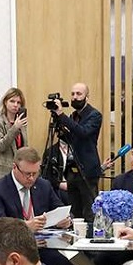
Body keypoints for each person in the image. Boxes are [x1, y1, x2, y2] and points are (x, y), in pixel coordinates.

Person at [0, 147, 74, 265]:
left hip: (42, 245)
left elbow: (63, 209)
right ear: (14, 167)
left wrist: (66, 220)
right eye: (27, 174)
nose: (31, 178)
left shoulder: (43, 185)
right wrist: (25, 226)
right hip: (13, 248)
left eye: (35, 173)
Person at [52, 83, 102, 221]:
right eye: (73, 94)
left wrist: (62, 116)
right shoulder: (73, 115)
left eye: (79, 94)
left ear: (87, 96)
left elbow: (83, 132)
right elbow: (71, 138)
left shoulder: (95, 115)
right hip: (72, 169)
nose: (75, 97)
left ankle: (91, 232)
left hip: (87, 168)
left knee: (89, 210)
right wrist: (59, 123)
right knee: (74, 209)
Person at [0, 87, 28, 183]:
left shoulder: (21, 123)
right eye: (12, 101)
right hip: (2, 173)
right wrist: (15, 128)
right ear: (5, 102)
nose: (15, 105)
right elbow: (1, 146)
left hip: (19, 172)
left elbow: (23, 146)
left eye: (18, 103)